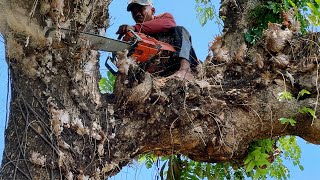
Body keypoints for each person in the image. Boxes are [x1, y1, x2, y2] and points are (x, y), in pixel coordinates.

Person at [116, 0, 199, 81]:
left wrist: (134, 28)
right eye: (134, 12)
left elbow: (169, 23)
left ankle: (185, 70)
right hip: (159, 69)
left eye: (141, 9)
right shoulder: (137, 34)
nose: (137, 14)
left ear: (153, 10)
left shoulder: (166, 17)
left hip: (176, 60)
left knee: (180, 30)